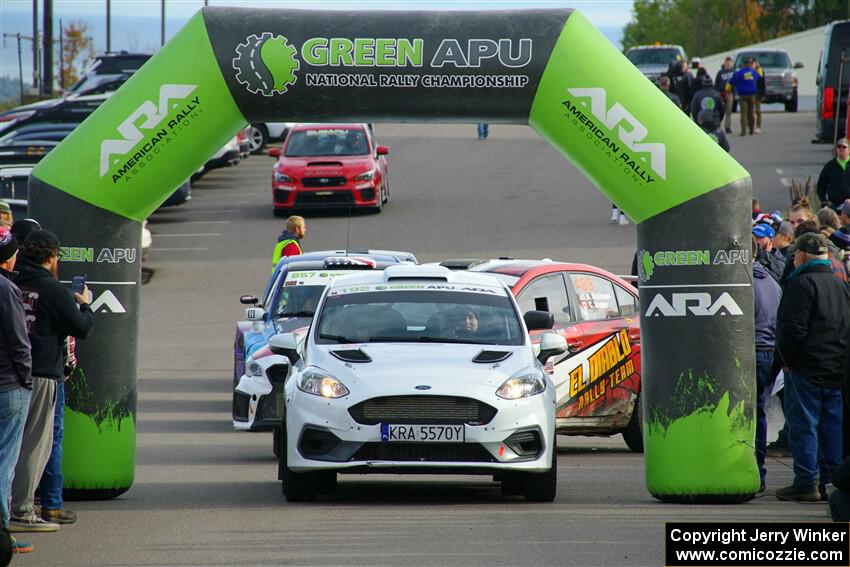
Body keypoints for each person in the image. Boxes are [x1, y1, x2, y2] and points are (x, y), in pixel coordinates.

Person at [8, 230, 94, 532]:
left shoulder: (11, 283)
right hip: (43, 373)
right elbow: (80, 328)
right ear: (52, 257)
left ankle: (9, 507)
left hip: (8, 372)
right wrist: (85, 305)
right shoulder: (54, 290)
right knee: (36, 445)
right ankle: (23, 510)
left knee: (9, 444)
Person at [775, 233, 850, 502]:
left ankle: (806, 480)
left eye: (794, 255)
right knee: (832, 425)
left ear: (802, 256)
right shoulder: (840, 284)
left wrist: (785, 361)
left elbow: (792, 330)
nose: (793, 259)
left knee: (804, 425)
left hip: (805, 368)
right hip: (835, 366)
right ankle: (832, 480)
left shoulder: (801, 284)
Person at [0, 227, 34, 554]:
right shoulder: (7, 290)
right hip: (10, 385)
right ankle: (2, 535)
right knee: (5, 462)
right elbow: (19, 342)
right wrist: (28, 379)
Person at [752, 235, 781, 492]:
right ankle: (758, 471)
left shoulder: (742, 283)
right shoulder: (771, 281)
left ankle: (752, 470)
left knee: (746, 412)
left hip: (751, 351)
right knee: (758, 411)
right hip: (769, 352)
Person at [816, 138, 850, 211]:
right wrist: (824, 202)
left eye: (844, 147)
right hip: (834, 206)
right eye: (839, 147)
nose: (841, 149)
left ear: (849, 150)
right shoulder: (829, 166)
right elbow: (820, 186)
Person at [727, 57, 758, 136]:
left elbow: (731, 82)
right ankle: (751, 130)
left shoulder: (739, 73)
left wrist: (728, 89)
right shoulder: (754, 72)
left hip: (742, 95)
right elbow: (759, 78)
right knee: (751, 113)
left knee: (743, 113)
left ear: (744, 65)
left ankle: (743, 131)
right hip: (752, 95)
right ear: (750, 64)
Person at [714, 57, 736, 133]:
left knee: (729, 111)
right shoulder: (720, 72)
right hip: (721, 93)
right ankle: (718, 125)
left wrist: (735, 93)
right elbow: (716, 84)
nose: (728, 64)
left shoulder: (734, 72)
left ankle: (727, 126)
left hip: (730, 93)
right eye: (727, 63)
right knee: (720, 110)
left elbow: (736, 84)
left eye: (729, 63)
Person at [753, 58, 766, 133]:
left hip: (758, 94)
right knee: (750, 111)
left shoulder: (760, 72)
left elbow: (763, 84)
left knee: (757, 111)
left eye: (756, 63)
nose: (755, 65)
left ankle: (758, 126)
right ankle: (750, 125)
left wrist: (763, 94)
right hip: (750, 93)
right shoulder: (749, 72)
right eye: (754, 63)